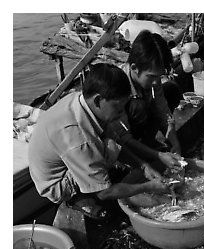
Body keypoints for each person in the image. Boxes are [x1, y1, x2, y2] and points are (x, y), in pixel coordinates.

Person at [29, 63, 179, 220]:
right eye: (118, 109)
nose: (121, 113)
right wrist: (149, 186)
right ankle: (78, 198)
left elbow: (117, 139)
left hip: (65, 157)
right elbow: (105, 193)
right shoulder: (79, 138)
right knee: (109, 151)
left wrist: (144, 167)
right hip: (57, 183)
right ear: (98, 100)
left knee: (111, 145)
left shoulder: (79, 100)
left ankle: (92, 179)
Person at [106, 30, 183, 165]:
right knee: (138, 106)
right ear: (134, 68)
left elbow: (162, 108)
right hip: (123, 135)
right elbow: (123, 137)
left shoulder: (154, 77)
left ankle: (149, 143)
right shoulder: (117, 87)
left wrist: (174, 138)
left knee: (172, 89)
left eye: (159, 76)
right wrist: (158, 156)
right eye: (152, 76)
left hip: (141, 119)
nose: (156, 81)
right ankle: (141, 152)